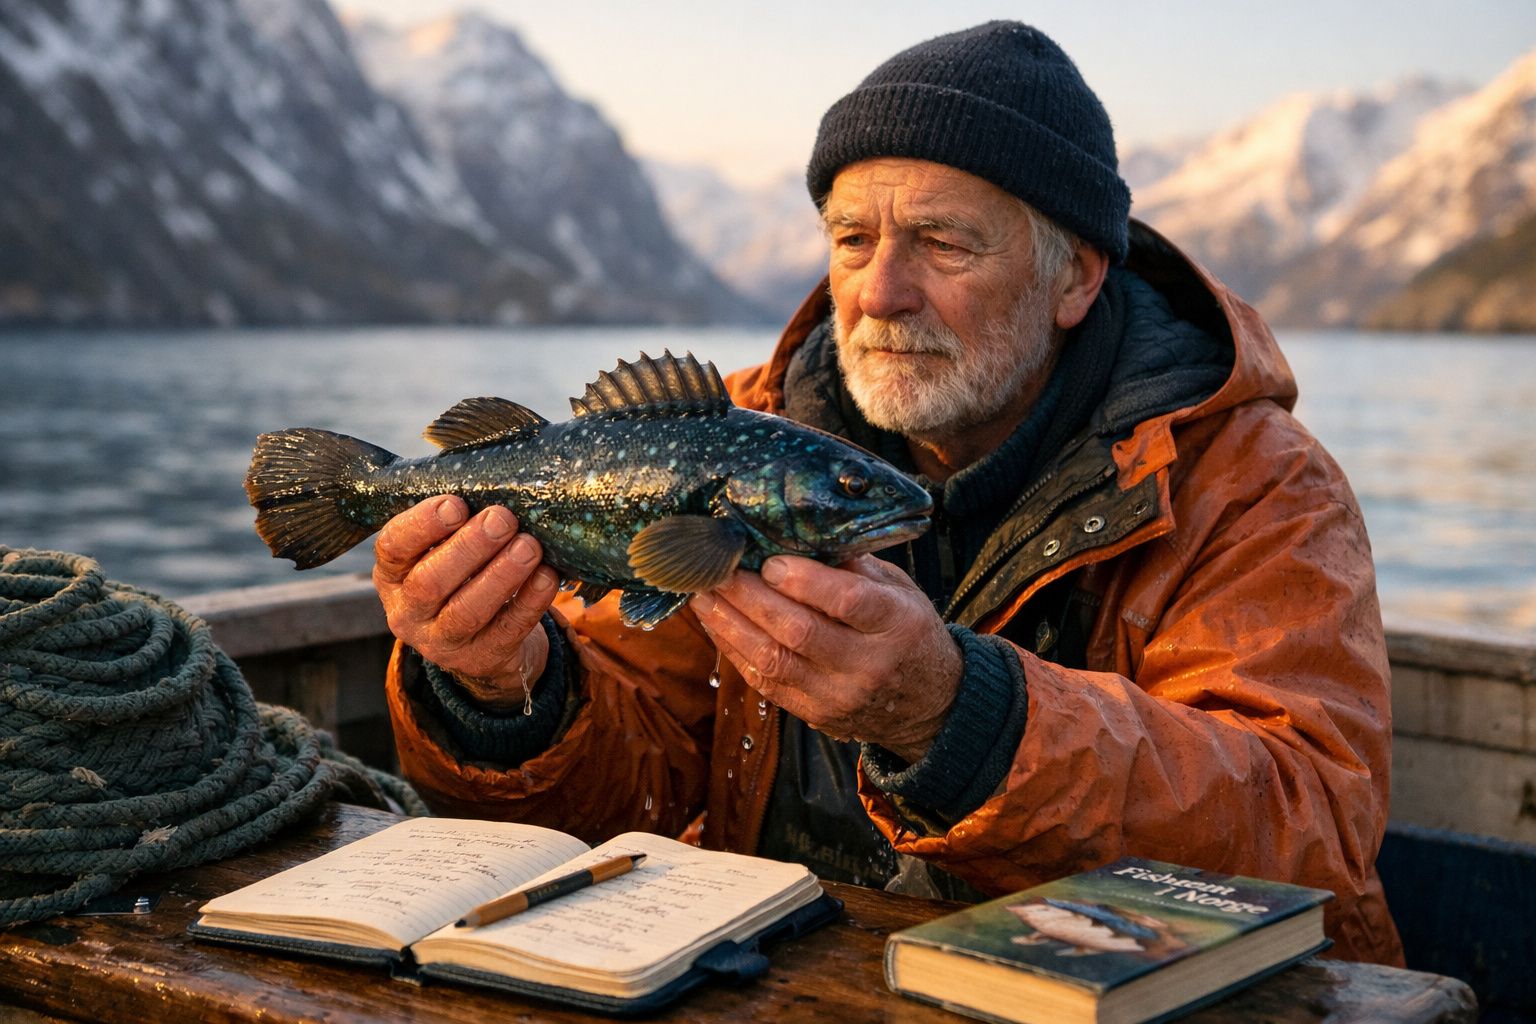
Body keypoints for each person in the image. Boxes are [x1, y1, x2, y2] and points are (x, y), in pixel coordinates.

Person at [372, 21, 1404, 965]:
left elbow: (1308, 831)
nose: (877, 290)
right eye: (852, 239)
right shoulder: (715, 439)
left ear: (1078, 277)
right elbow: (633, 785)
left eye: (944, 242)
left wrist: (961, 717)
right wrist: (504, 692)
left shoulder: (1255, 483)